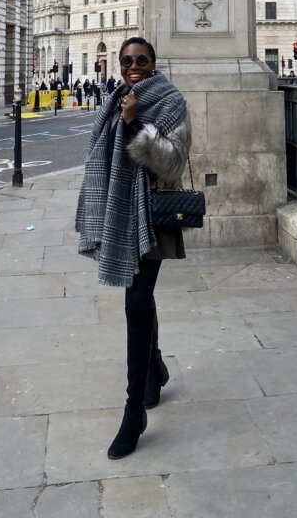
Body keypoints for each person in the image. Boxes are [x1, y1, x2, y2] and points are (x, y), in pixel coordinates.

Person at [76, 37, 191, 461]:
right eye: (127, 61)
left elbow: (173, 162)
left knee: (136, 301)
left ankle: (132, 412)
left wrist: (133, 126)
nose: (133, 66)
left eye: (141, 60)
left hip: (153, 214)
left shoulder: (171, 101)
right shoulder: (117, 98)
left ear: (154, 63)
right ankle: (155, 369)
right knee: (141, 300)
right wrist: (122, 118)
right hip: (121, 212)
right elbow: (98, 155)